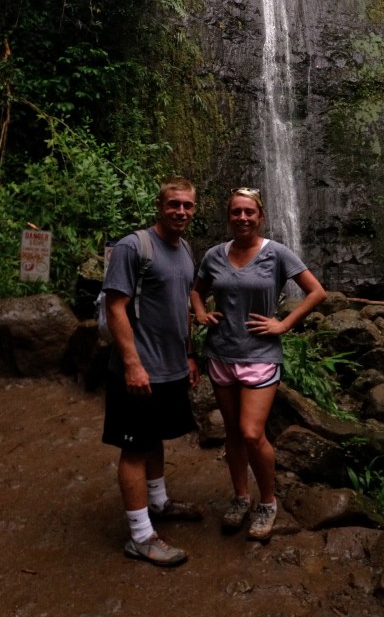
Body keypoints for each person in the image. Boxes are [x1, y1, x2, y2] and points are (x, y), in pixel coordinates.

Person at [190, 187, 327, 542]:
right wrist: (201, 314)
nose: (243, 218)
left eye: (249, 212)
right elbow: (196, 290)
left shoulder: (277, 253)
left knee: (252, 432)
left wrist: (284, 324)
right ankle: (240, 496)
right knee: (233, 433)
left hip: (261, 356)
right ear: (229, 216)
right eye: (236, 212)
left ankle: (267, 501)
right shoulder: (214, 255)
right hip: (221, 354)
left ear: (260, 216)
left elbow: (316, 292)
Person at [101, 176, 204, 568]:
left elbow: (183, 306)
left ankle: (159, 502)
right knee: (135, 448)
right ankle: (141, 537)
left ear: (194, 210)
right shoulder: (133, 246)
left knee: (153, 437)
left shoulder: (184, 249)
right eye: (173, 204)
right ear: (160, 206)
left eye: (187, 205)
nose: (180, 211)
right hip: (139, 368)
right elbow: (115, 307)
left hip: (170, 366)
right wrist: (132, 364)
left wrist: (189, 354)